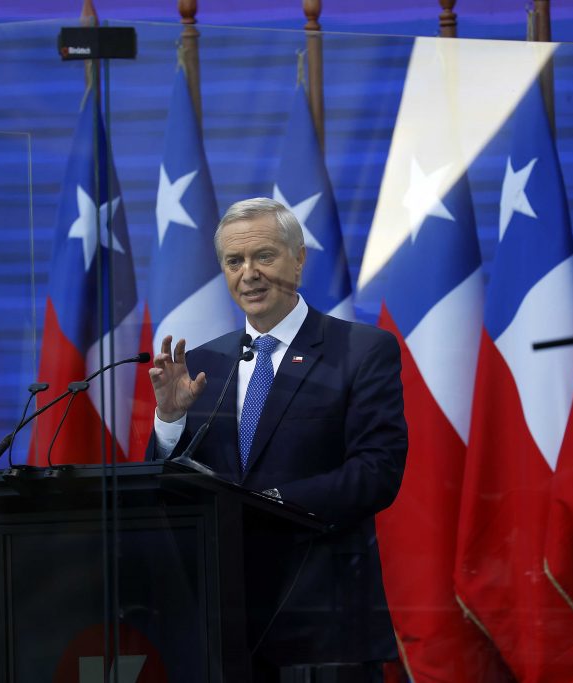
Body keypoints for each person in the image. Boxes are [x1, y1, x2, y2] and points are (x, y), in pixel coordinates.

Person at [146, 197, 407, 677]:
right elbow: (169, 492)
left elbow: (376, 473)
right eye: (234, 261)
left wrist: (268, 503)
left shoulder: (361, 351)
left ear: (299, 258)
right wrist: (168, 420)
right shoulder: (203, 365)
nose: (250, 273)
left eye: (264, 256)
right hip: (223, 625)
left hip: (323, 621)